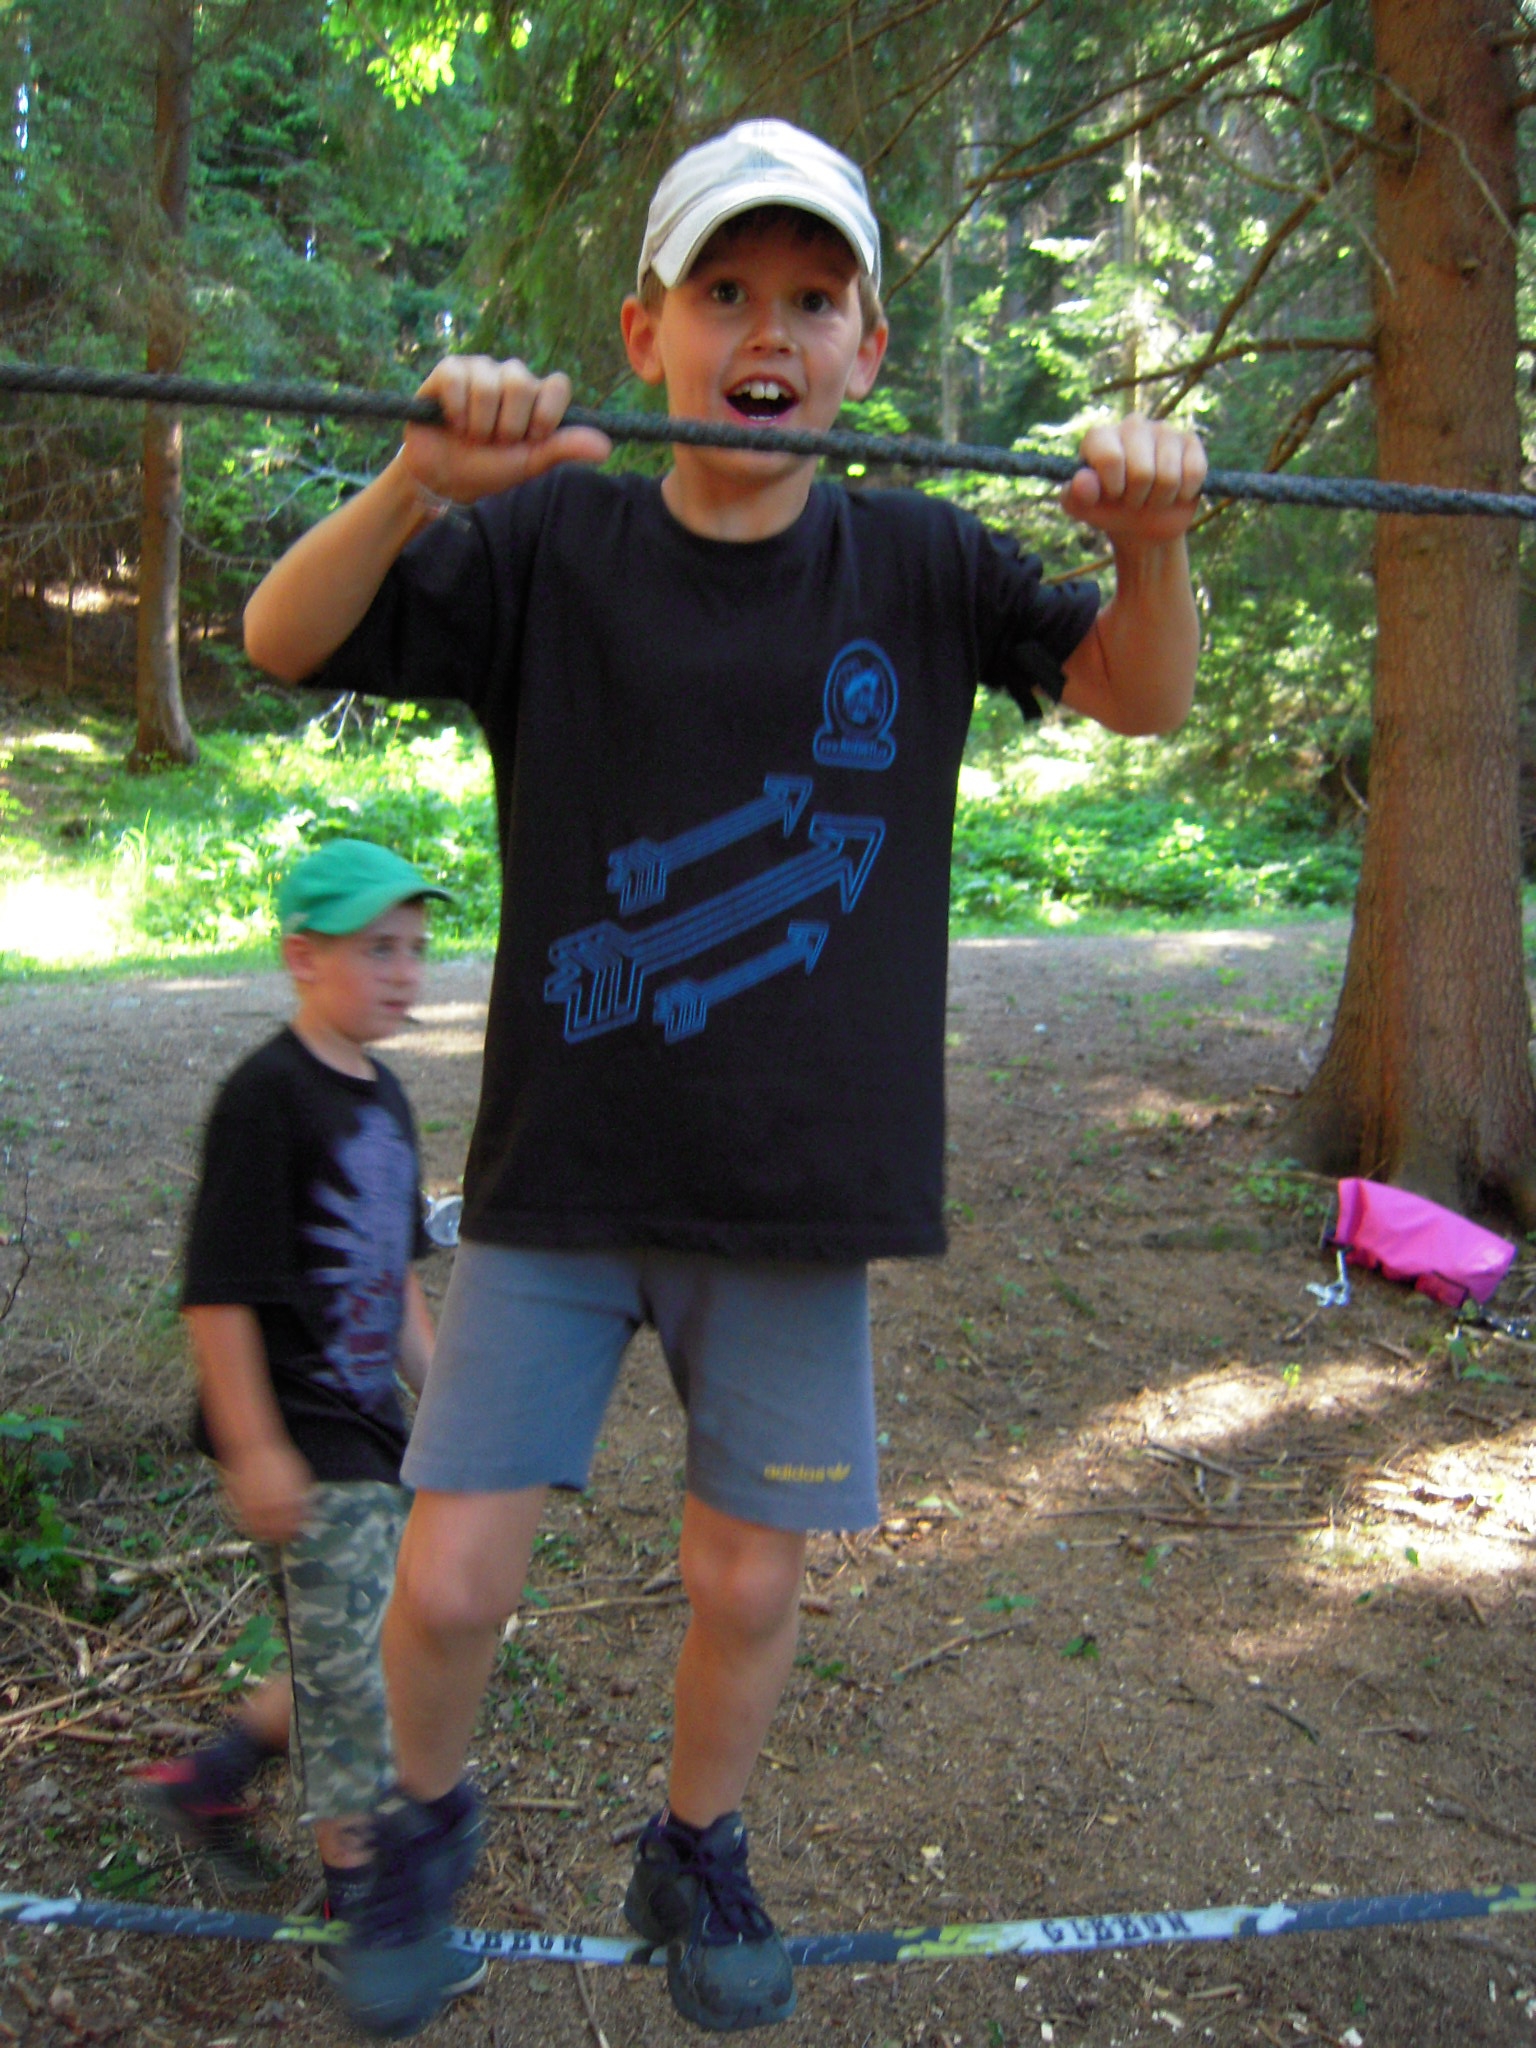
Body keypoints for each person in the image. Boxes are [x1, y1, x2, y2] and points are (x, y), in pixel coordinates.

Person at [242, 118, 1206, 2038]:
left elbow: (1139, 691)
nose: (768, 330)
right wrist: (417, 482)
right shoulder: (552, 540)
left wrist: (1154, 542)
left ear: (866, 350)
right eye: (725, 291)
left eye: (813, 299)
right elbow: (286, 635)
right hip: (561, 1175)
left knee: (749, 1581)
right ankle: (410, 1833)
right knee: (452, 1576)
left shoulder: (921, 559)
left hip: (796, 1185)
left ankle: (695, 1844)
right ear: (648, 331)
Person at [134, 838, 485, 2005]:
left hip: (373, 1430)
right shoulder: (265, 1097)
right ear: (302, 956)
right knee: (353, 1680)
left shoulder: (385, 1099)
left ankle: (214, 1773)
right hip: (301, 1436)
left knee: (372, 1649)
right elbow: (217, 1291)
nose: (405, 970)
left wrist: (452, 1407)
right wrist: (254, 1444)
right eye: (377, 948)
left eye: (415, 948)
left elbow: (396, 1285)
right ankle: (356, 1903)